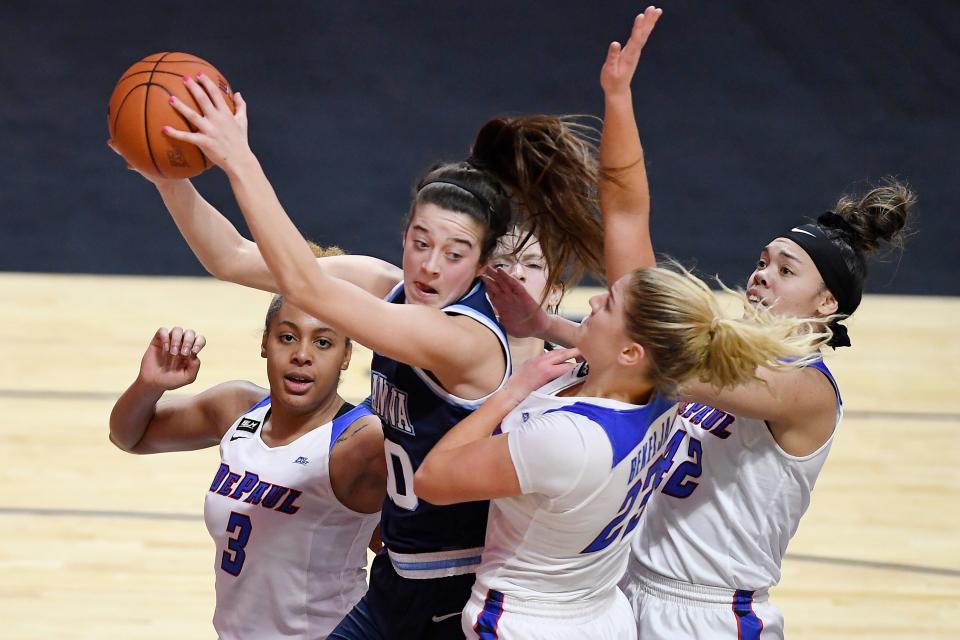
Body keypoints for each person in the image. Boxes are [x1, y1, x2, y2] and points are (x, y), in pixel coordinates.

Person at [112, 75, 606, 637]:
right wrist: (167, 175)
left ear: (484, 262)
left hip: (456, 589)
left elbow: (308, 286)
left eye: (454, 253)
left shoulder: (463, 339)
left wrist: (239, 159)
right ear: (404, 235)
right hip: (395, 577)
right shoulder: (386, 285)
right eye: (421, 243)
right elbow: (231, 258)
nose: (431, 267)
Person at [482, 8, 916, 636]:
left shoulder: (804, 389)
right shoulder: (705, 343)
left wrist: (556, 329)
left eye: (786, 270)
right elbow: (627, 217)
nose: (761, 275)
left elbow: (658, 363)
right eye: (762, 261)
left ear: (829, 305)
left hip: (708, 613)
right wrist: (618, 98)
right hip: (620, 592)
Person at [414, 260, 829, 639]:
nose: (593, 300)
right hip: (605, 609)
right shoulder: (662, 391)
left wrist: (512, 392)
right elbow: (634, 336)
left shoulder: (572, 437)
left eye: (608, 303)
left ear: (632, 352)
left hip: (533, 617)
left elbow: (431, 480)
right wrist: (545, 324)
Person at [108, 294, 387, 640]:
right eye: (287, 337)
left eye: (324, 342)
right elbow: (129, 436)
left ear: (346, 356)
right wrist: (149, 385)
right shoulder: (236, 407)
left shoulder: (361, 440)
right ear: (264, 343)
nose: (302, 354)